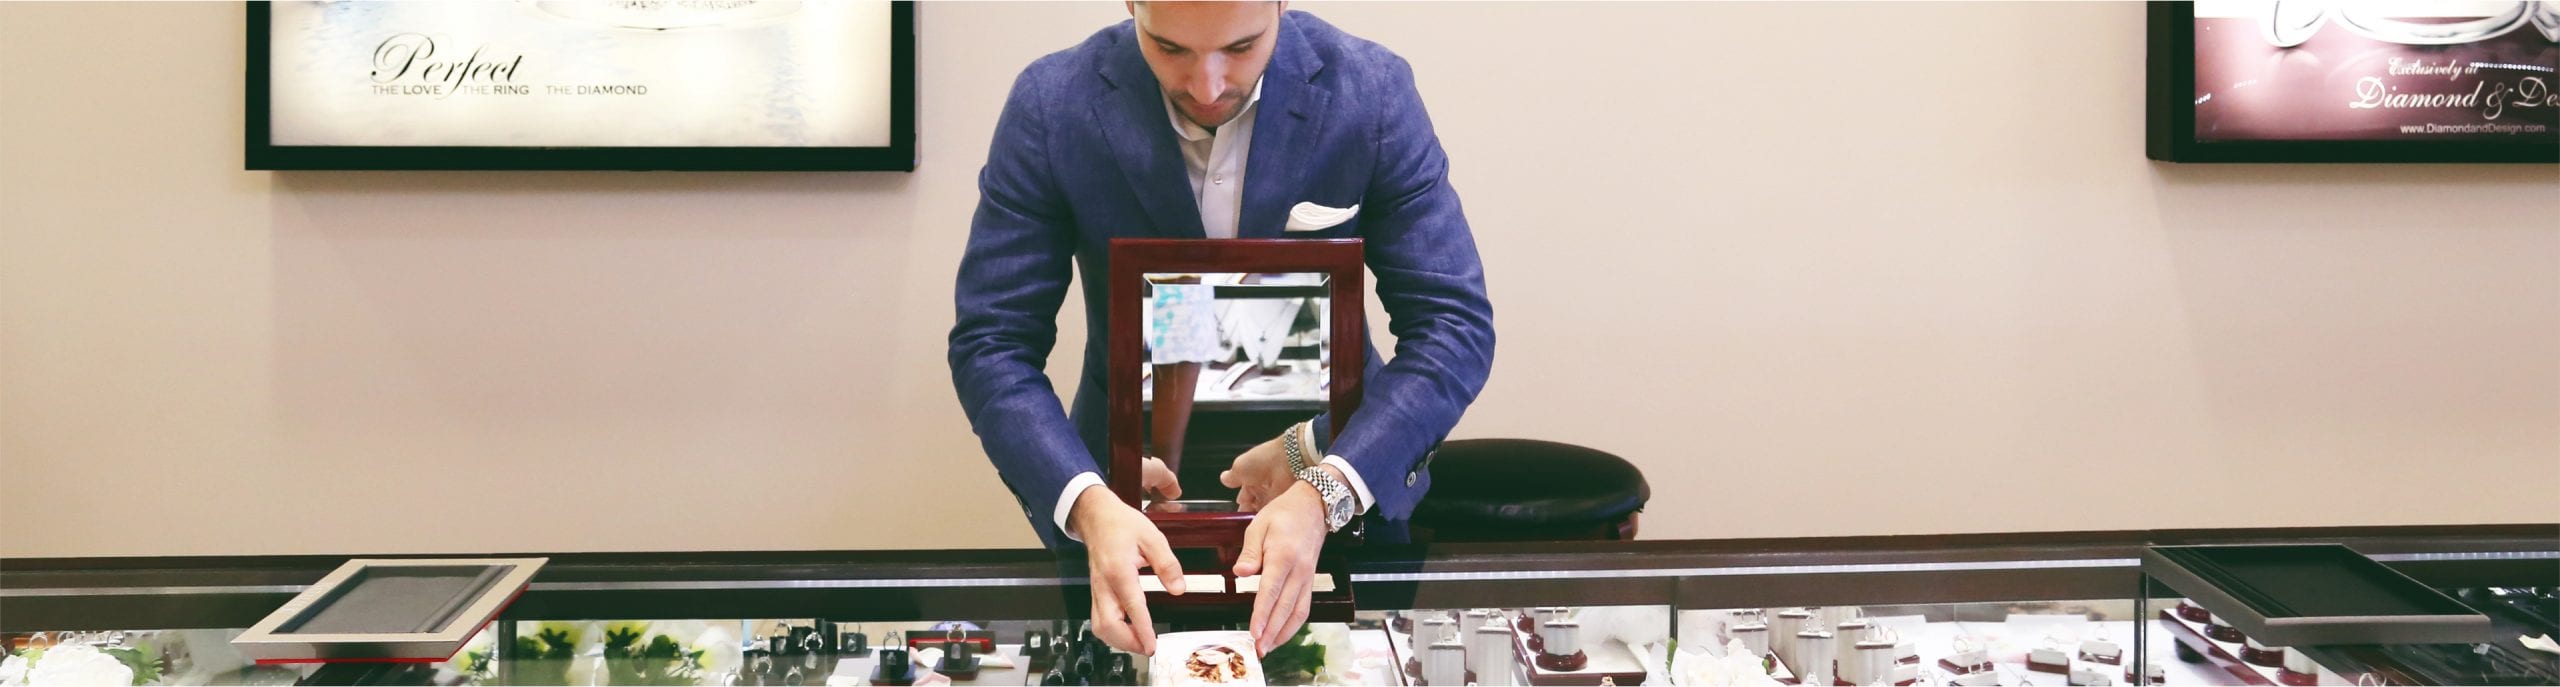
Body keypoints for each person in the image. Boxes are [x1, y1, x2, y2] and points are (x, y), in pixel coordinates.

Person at [947, 0, 1494, 658]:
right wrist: (1088, 501)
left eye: (1240, 47)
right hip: (1118, 511)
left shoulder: (1371, 94)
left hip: (1345, 492)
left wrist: (1325, 488)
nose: (1206, 85)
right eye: (1170, 48)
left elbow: (1452, 327)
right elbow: (992, 343)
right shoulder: (1052, 106)